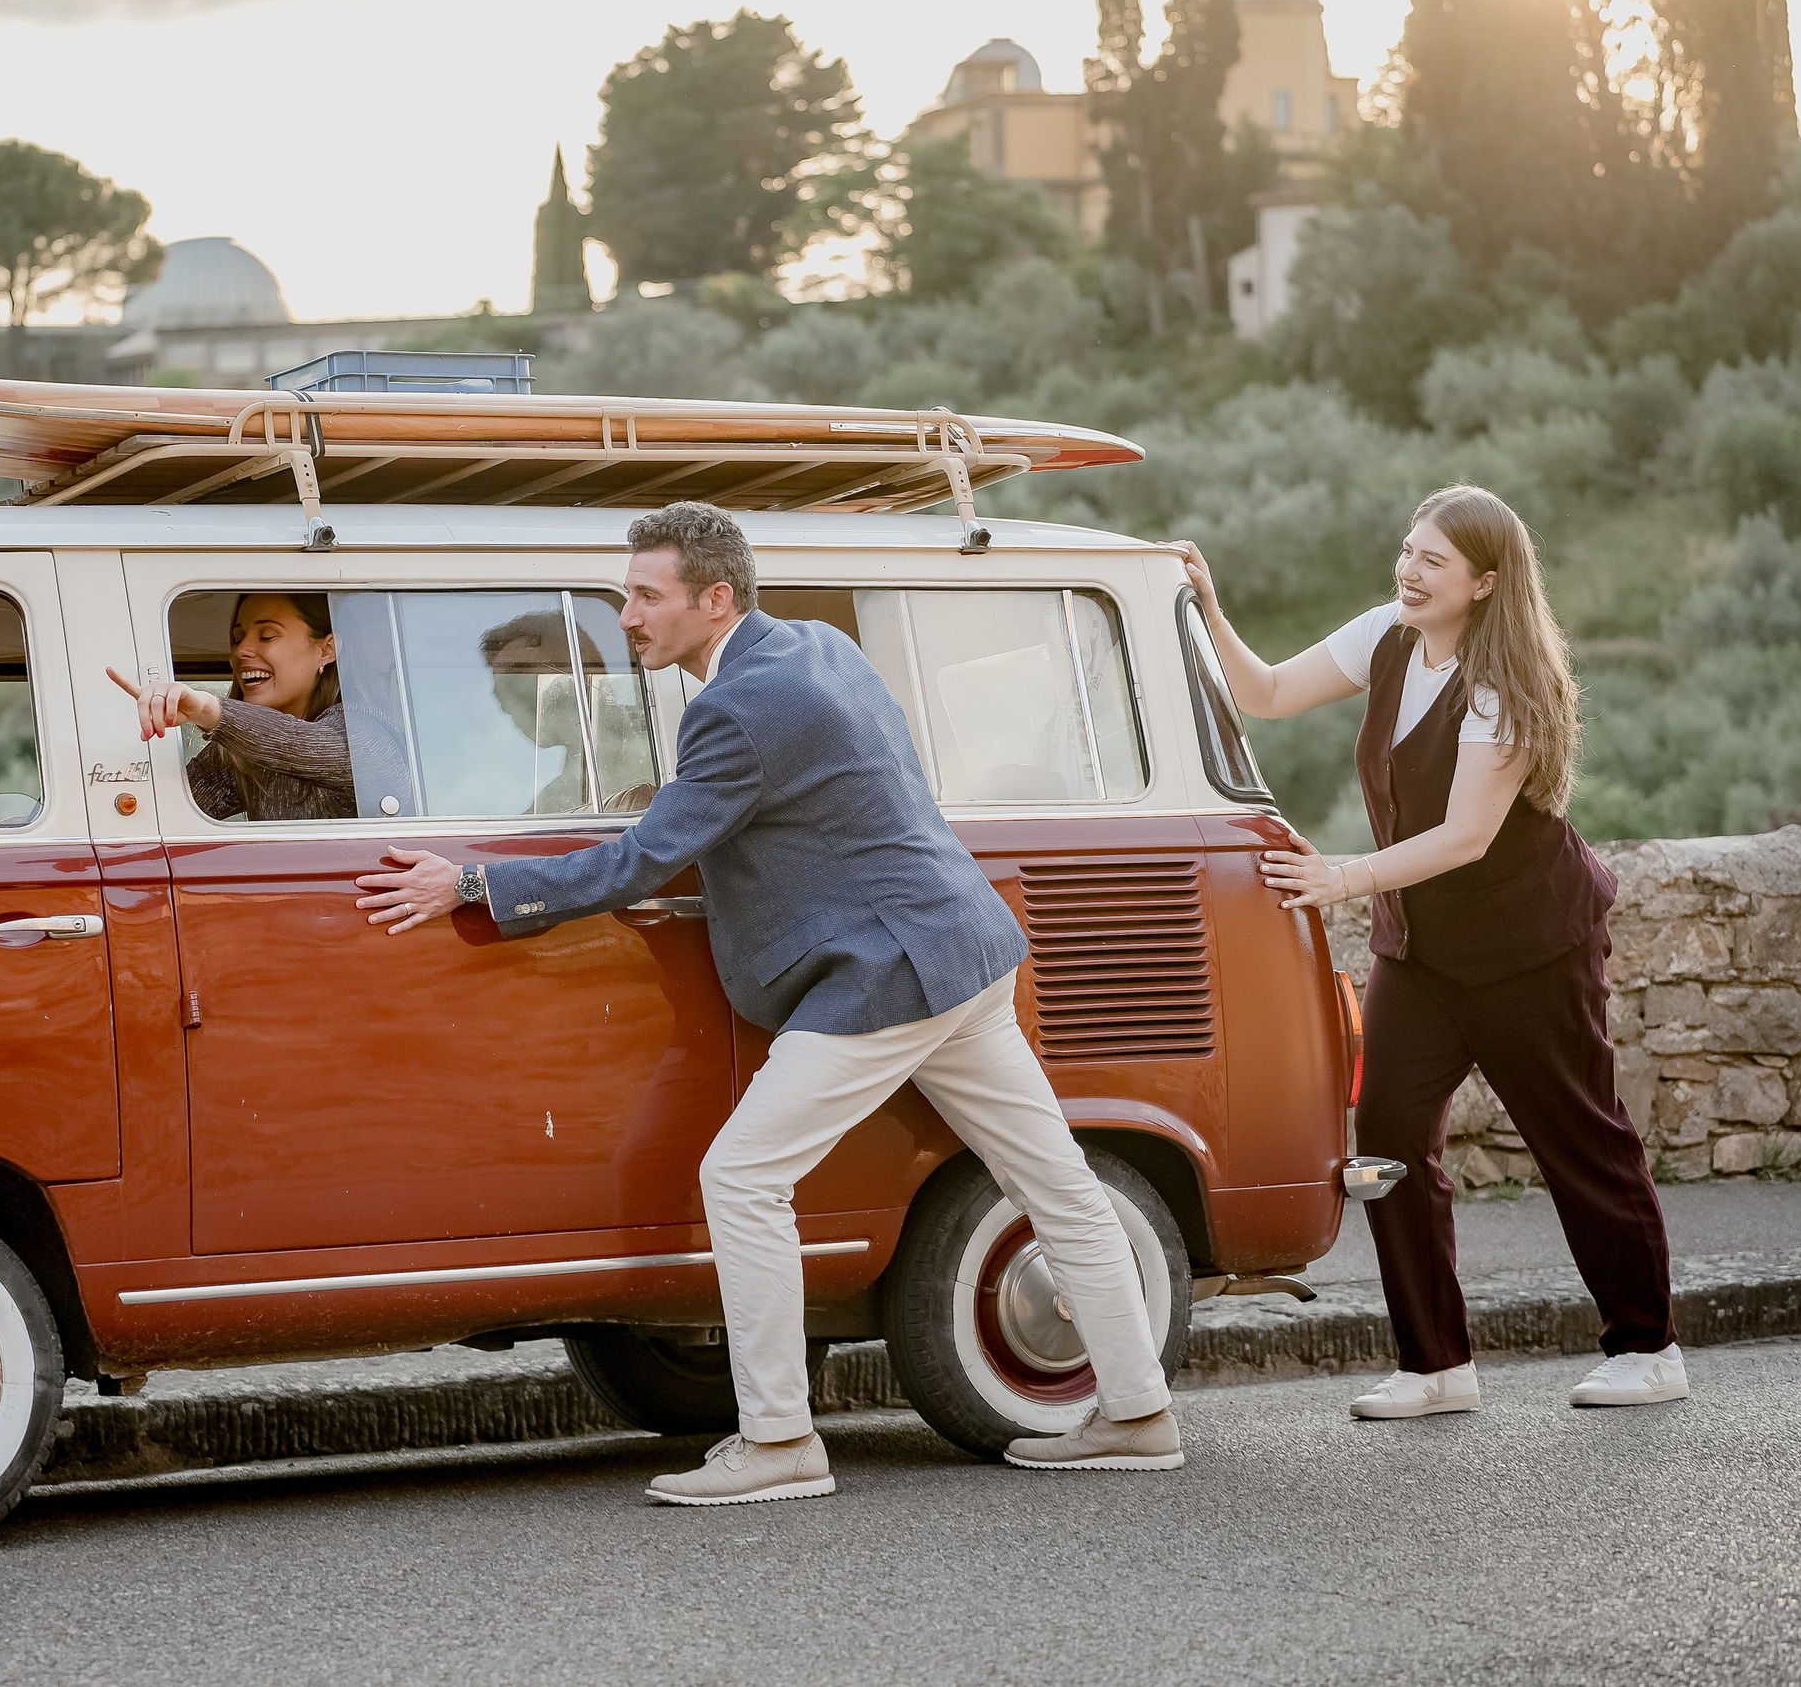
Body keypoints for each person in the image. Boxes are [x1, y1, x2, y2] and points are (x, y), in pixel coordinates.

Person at [351, 500, 1182, 1505]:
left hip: (887, 975)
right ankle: (1138, 1414)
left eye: (645, 596)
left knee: (743, 1178)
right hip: (961, 948)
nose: (626, 615)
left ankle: (781, 1442)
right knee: (1054, 1184)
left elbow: (646, 858)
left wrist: (473, 884)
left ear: (714, 598)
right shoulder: (815, 648)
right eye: (626, 595)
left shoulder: (735, 710)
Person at [1178, 484, 1685, 1417]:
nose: (1409, 571)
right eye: (1407, 550)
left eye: (1434, 561)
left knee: (1581, 1140)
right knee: (1390, 1141)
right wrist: (1204, 603)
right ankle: (1435, 1365)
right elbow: (1270, 692)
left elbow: (1463, 836)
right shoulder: (1385, 635)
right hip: (1423, 949)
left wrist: (1339, 877)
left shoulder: (1503, 687)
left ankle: (1649, 1347)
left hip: (1532, 947)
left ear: (1484, 583)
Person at [110, 592, 354, 821]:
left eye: (267, 635)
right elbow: (164, 814)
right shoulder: (235, 753)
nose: (241, 651)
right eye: (238, 638)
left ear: (327, 650)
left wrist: (210, 710)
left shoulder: (360, 728)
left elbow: (312, 745)